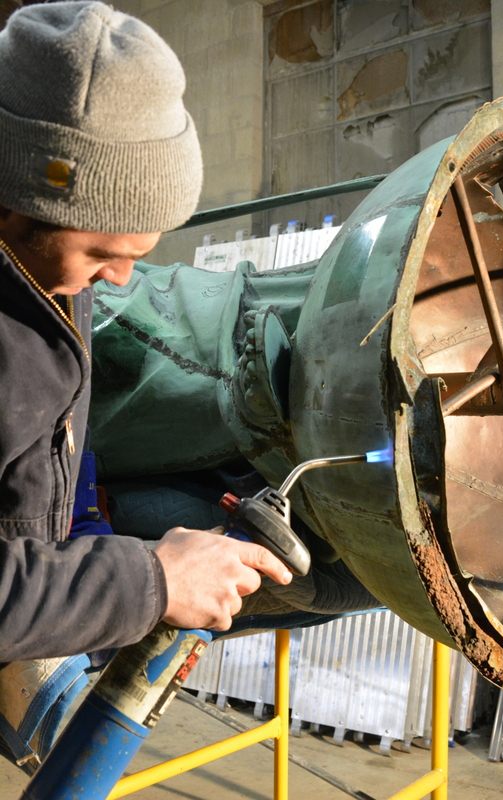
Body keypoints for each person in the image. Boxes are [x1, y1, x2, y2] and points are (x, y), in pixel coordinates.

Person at [0, 0, 292, 666]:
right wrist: (148, 584)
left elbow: (55, 468)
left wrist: (113, 616)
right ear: (18, 200)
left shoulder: (46, 278)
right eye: (105, 254)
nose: (123, 279)